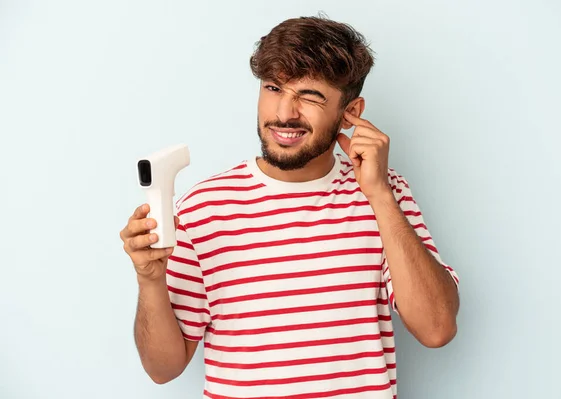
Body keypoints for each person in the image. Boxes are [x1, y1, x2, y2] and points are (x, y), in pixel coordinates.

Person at [120, 15, 460, 399]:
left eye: (310, 96)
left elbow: (437, 329)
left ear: (352, 111)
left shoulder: (386, 193)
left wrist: (380, 195)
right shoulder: (202, 209)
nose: (284, 113)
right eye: (273, 88)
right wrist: (149, 280)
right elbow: (163, 370)